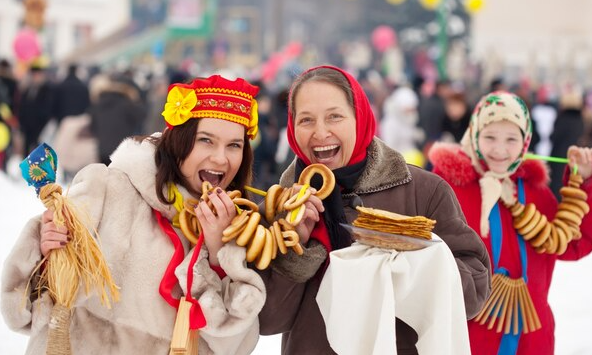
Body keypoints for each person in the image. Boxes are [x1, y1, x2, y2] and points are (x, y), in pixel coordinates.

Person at [2, 74, 266, 354]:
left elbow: (235, 346)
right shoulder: (106, 189)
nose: (221, 158)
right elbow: (25, 311)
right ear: (179, 139)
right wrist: (48, 253)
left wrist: (217, 252)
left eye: (234, 145)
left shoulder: (241, 229)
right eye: (206, 140)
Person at [257, 65, 492, 354]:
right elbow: (267, 321)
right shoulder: (279, 207)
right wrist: (296, 248)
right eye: (306, 120)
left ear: (360, 118)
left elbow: (475, 294)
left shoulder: (424, 191)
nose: (320, 132)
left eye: (335, 116)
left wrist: (407, 265)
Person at [428, 91, 592, 355]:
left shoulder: (535, 191)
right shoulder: (448, 188)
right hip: (466, 337)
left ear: (525, 142)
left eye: (511, 139)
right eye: (490, 137)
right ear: (474, 134)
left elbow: (571, 244)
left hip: (530, 337)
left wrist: (584, 183)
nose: (500, 150)